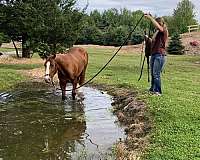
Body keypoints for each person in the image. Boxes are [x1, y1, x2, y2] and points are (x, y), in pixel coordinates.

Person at [144, 13, 168, 96]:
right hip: (154, 54)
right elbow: (153, 40)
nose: (155, 26)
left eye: (157, 24)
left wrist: (150, 18)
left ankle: (158, 92)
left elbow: (159, 28)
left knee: (156, 74)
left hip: (160, 55)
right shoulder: (158, 32)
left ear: (160, 23)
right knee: (153, 73)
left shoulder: (163, 30)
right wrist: (147, 38)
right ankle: (152, 89)